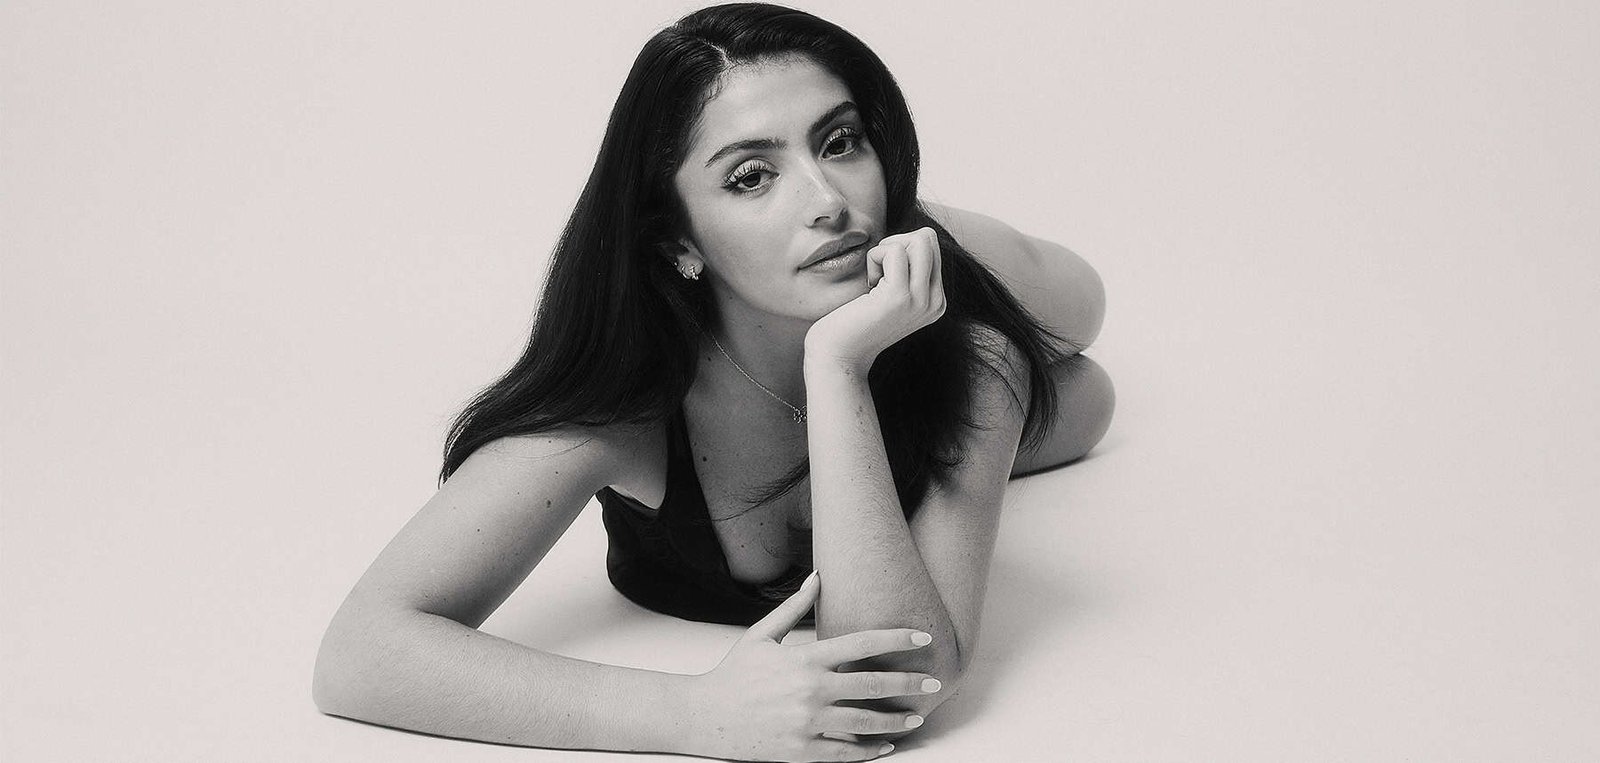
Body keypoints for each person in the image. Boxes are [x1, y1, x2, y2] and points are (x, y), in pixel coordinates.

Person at [312, 3, 1114, 761]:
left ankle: (941, 234)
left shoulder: (968, 354)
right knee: (1081, 400)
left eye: (840, 142)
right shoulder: (622, 410)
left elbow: (900, 683)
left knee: (1081, 320)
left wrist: (837, 366)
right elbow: (358, 653)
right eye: (751, 177)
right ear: (677, 244)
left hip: (917, 271)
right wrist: (695, 711)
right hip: (826, 287)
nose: (827, 200)